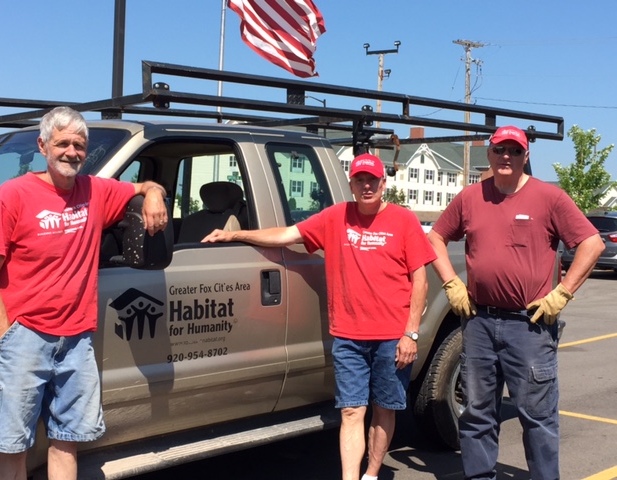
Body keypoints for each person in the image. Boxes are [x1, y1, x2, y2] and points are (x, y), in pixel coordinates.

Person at [203, 153, 437, 480]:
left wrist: (410, 335)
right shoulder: (335, 217)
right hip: (348, 337)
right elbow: (287, 235)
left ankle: (371, 474)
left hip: (392, 336)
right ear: (351, 185)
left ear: (383, 184)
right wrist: (235, 235)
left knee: (384, 409)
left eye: (372, 180)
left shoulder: (404, 221)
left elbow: (421, 281)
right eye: (360, 180)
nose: (366, 186)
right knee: (351, 411)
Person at [0, 106, 169, 480]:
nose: (71, 152)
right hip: (23, 337)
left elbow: (145, 185)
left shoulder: (95, 190)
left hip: (77, 341)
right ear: (43, 146)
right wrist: (6, 338)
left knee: (67, 442)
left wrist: (154, 195)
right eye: (62, 143)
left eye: (79, 145)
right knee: (13, 446)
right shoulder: (12, 196)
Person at [427, 125, 604, 480]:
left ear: (526, 156)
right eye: (499, 149)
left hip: (529, 326)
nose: (506, 156)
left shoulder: (549, 197)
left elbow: (592, 243)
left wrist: (562, 293)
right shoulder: (470, 197)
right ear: (489, 153)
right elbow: (435, 237)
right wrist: (451, 283)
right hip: (478, 323)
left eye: (515, 150)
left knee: (537, 416)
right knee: (477, 414)